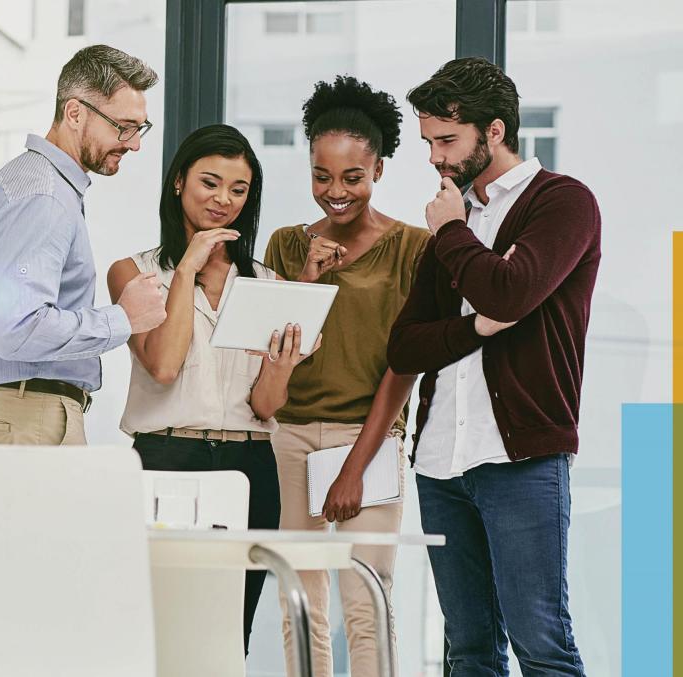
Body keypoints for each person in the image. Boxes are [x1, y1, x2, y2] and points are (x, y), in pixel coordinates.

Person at [388, 57, 600, 676]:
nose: (435, 158)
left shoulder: (562, 203)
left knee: (542, 644)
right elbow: (406, 346)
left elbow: (510, 291)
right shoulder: (455, 221)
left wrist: (453, 235)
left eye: (447, 141)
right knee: (469, 650)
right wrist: (475, 327)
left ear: (496, 131)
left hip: (521, 461)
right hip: (439, 466)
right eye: (429, 142)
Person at [107, 124, 315, 654]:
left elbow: (267, 405)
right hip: (166, 459)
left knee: (229, 639)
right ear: (179, 182)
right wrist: (187, 271)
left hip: (249, 467)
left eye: (239, 190)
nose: (224, 200)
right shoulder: (134, 272)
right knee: (159, 634)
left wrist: (282, 365)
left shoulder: (266, 284)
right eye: (210, 182)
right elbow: (164, 366)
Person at [262, 76, 431, 677]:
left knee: (368, 603)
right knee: (299, 603)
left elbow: (404, 365)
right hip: (291, 438)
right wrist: (307, 280)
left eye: (351, 178)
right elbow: (277, 349)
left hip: (370, 438)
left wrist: (355, 466)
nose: (335, 192)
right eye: (321, 176)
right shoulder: (286, 244)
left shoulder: (413, 247)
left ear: (379, 170)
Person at [0, 45, 166, 445]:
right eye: (124, 126)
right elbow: (18, 329)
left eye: (140, 128)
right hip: (25, 416)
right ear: (75, 113)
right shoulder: (42, 196)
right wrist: (123, 319)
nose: (135, 144)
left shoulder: (45, 187)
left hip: (19, 414)